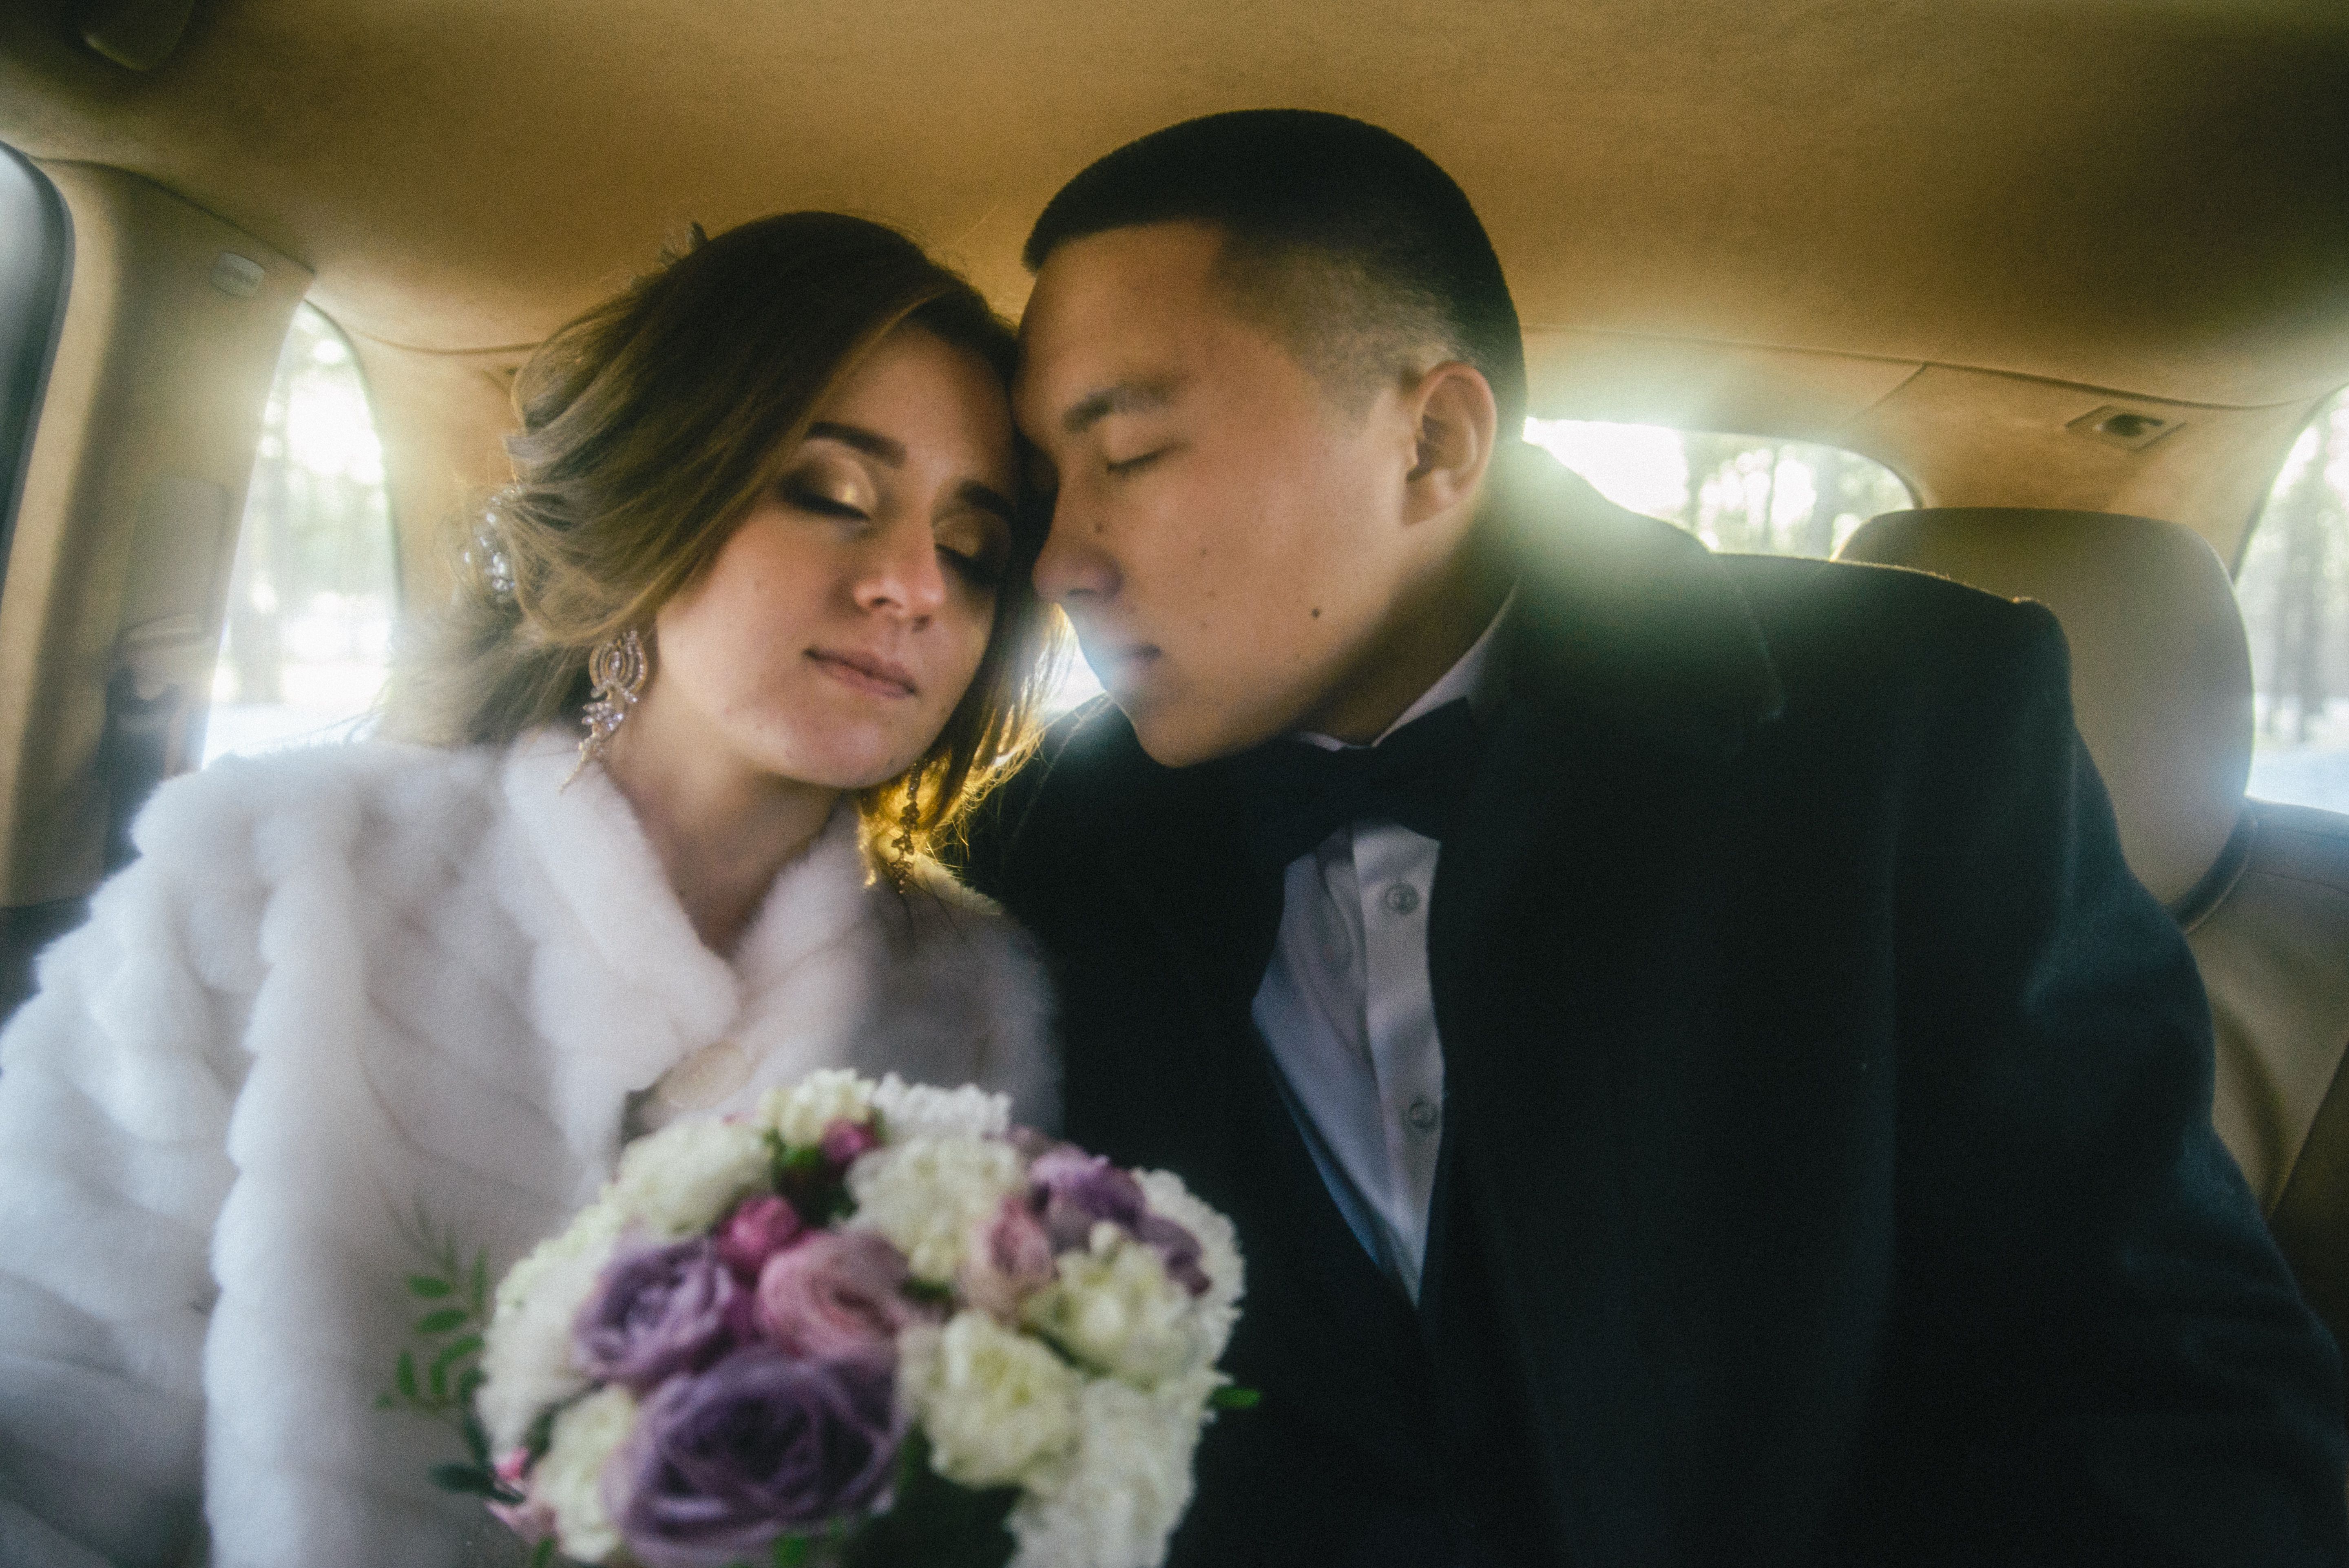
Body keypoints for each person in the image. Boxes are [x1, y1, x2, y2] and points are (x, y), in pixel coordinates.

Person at [962, 110, 2349, 1566]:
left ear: (1434, 443)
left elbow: (2177, 1385)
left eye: (1131, 454)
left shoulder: (1901, 740)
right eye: (1044, 487)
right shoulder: (1041, 848)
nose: (1058, 563)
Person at [0, 213, 1064, 1567]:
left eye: (971, 550)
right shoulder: (273, 884)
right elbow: (40, 1442)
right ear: (661, 496)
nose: (912, 585)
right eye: (831, 494)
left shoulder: (969, 1003)